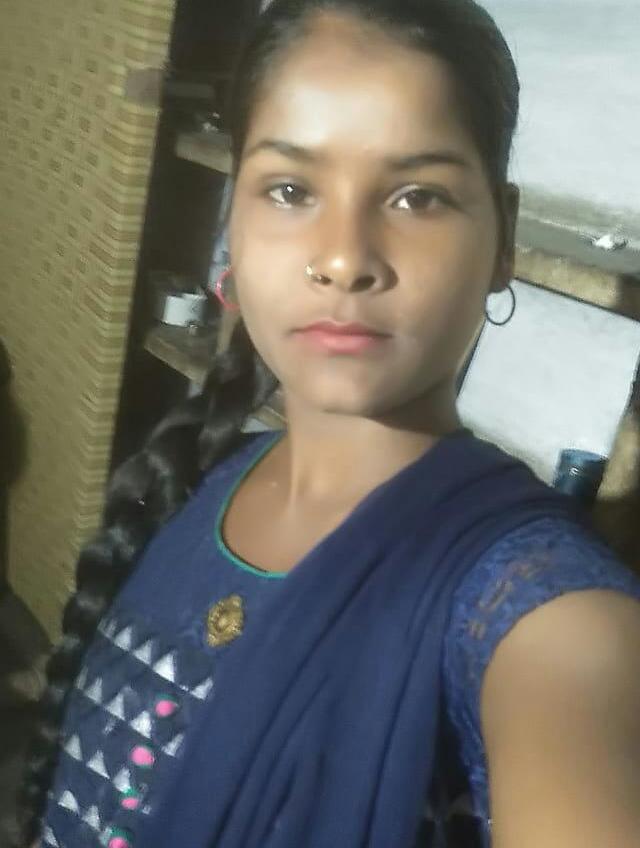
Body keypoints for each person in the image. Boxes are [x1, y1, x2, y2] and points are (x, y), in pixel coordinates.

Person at [18, 1, 640, 846]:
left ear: (501, 238)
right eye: (290, 190)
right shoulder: (201, 473)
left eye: (418, 197)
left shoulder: (538, 613)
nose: (345, 258)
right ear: (233, 220)